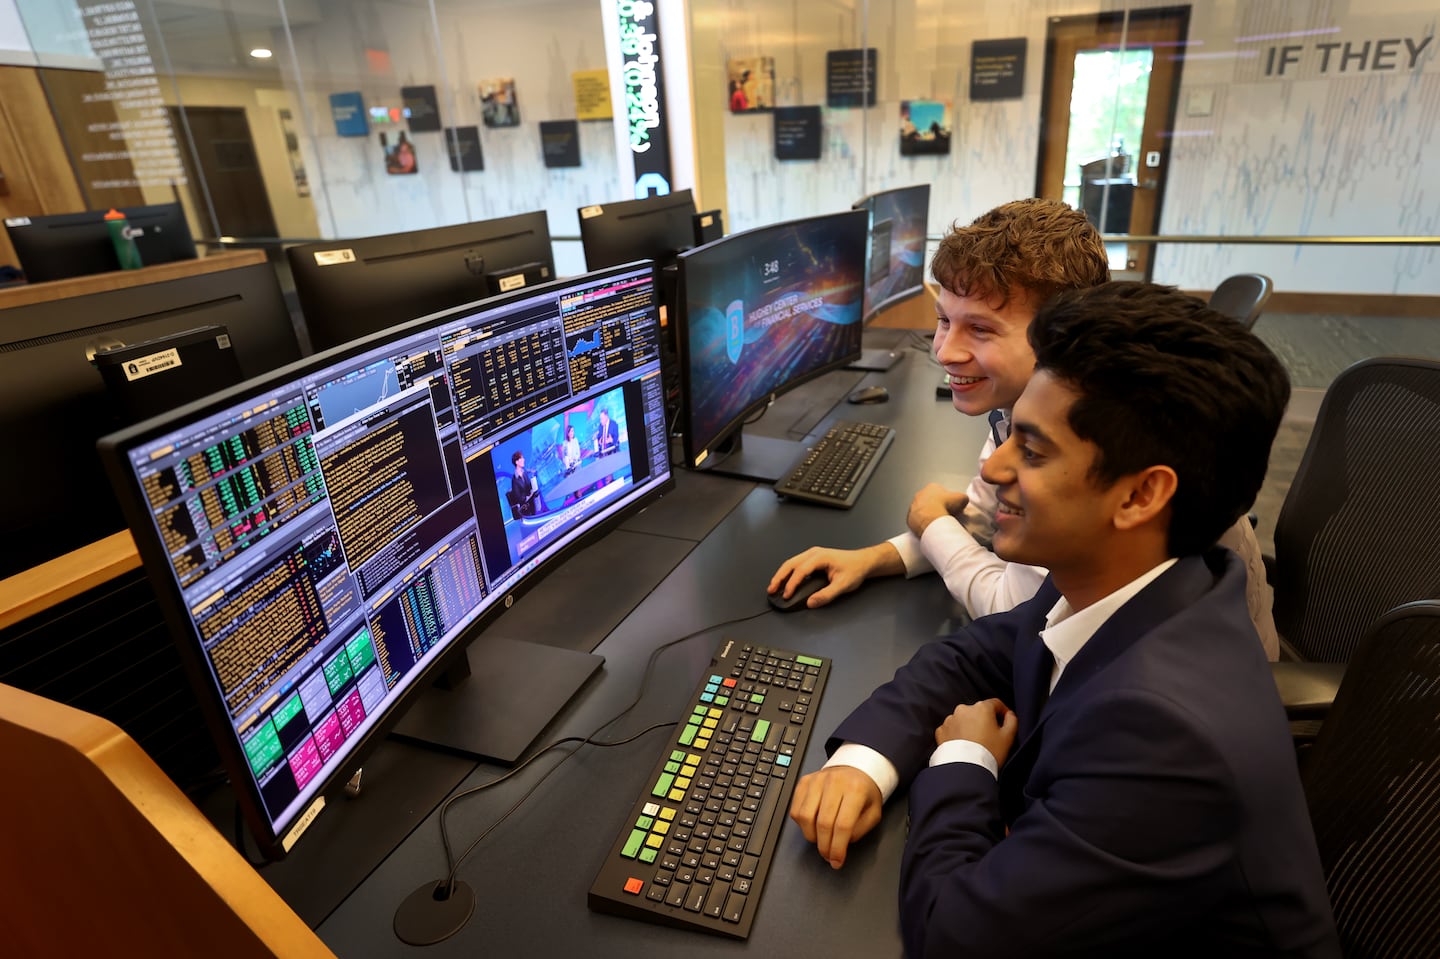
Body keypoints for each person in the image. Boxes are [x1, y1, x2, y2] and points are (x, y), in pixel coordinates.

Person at [789, 282, 1339, 957]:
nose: (992, 465)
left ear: (1141, 494)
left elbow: (951, 935)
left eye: (1033, 449)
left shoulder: (1165, 735)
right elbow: (972, 653)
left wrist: (962, 759)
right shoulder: (1146, 575)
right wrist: (863, 763)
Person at [768, 197, 1280, 660]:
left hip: (1178, 683)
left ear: (1060, 332)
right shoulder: (1028, 406)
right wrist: (879, 557)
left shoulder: (1092, 434)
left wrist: (929, 521)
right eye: (945, 319)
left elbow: (1013, 610)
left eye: (981, 329)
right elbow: (988, 518)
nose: (944, 351)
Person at [509, 450, 540, 517]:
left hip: (532, 502)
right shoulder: (514, 480)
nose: (524, 459)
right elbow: (519, 498)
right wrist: (530, 495)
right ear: (517, 462)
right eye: (522, 458)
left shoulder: (524, 472)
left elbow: (529, 487)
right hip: (526, 508)